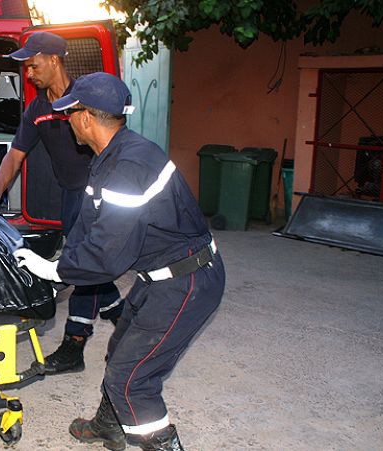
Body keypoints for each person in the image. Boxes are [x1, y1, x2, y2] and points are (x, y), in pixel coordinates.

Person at [14, 73, 226, 451]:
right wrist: (56, 271)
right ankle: (109, 426)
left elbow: (108, 255)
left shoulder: (130, 166)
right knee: (121, 347)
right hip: (159, 274)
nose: (65, 122)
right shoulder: (108, 156)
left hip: (187, 280)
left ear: (86, 118)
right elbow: (87, 226)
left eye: (69, 114)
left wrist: (53, 270)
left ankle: (161, 444)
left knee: (130, 381)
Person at [0, 31, 123, 375]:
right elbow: (14, 157)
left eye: (33, 66)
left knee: (81, 268)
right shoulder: (37, 110)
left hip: (97, 195)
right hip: (70, 197)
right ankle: (128, 327)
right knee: (93, 274)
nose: (28, 73)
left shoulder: (88, 98)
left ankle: (73, 346)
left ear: (54, 59)